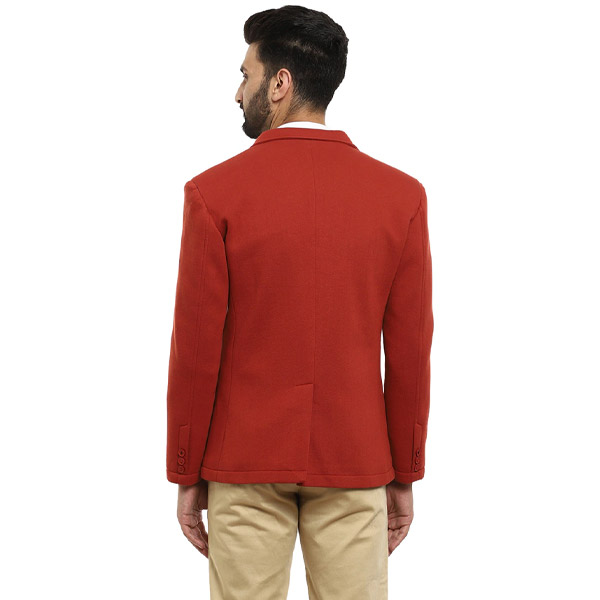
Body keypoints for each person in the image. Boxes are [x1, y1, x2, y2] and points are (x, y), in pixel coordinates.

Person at [165, 5, 434, 599]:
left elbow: (195, 350)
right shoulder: (402, 198)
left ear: (280, 83)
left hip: (242, 460)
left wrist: (186, 469)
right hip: (356, 459)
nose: (238, 92)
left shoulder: (213, 193)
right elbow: (411, 350)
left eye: (246, 75)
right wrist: (405, 471)